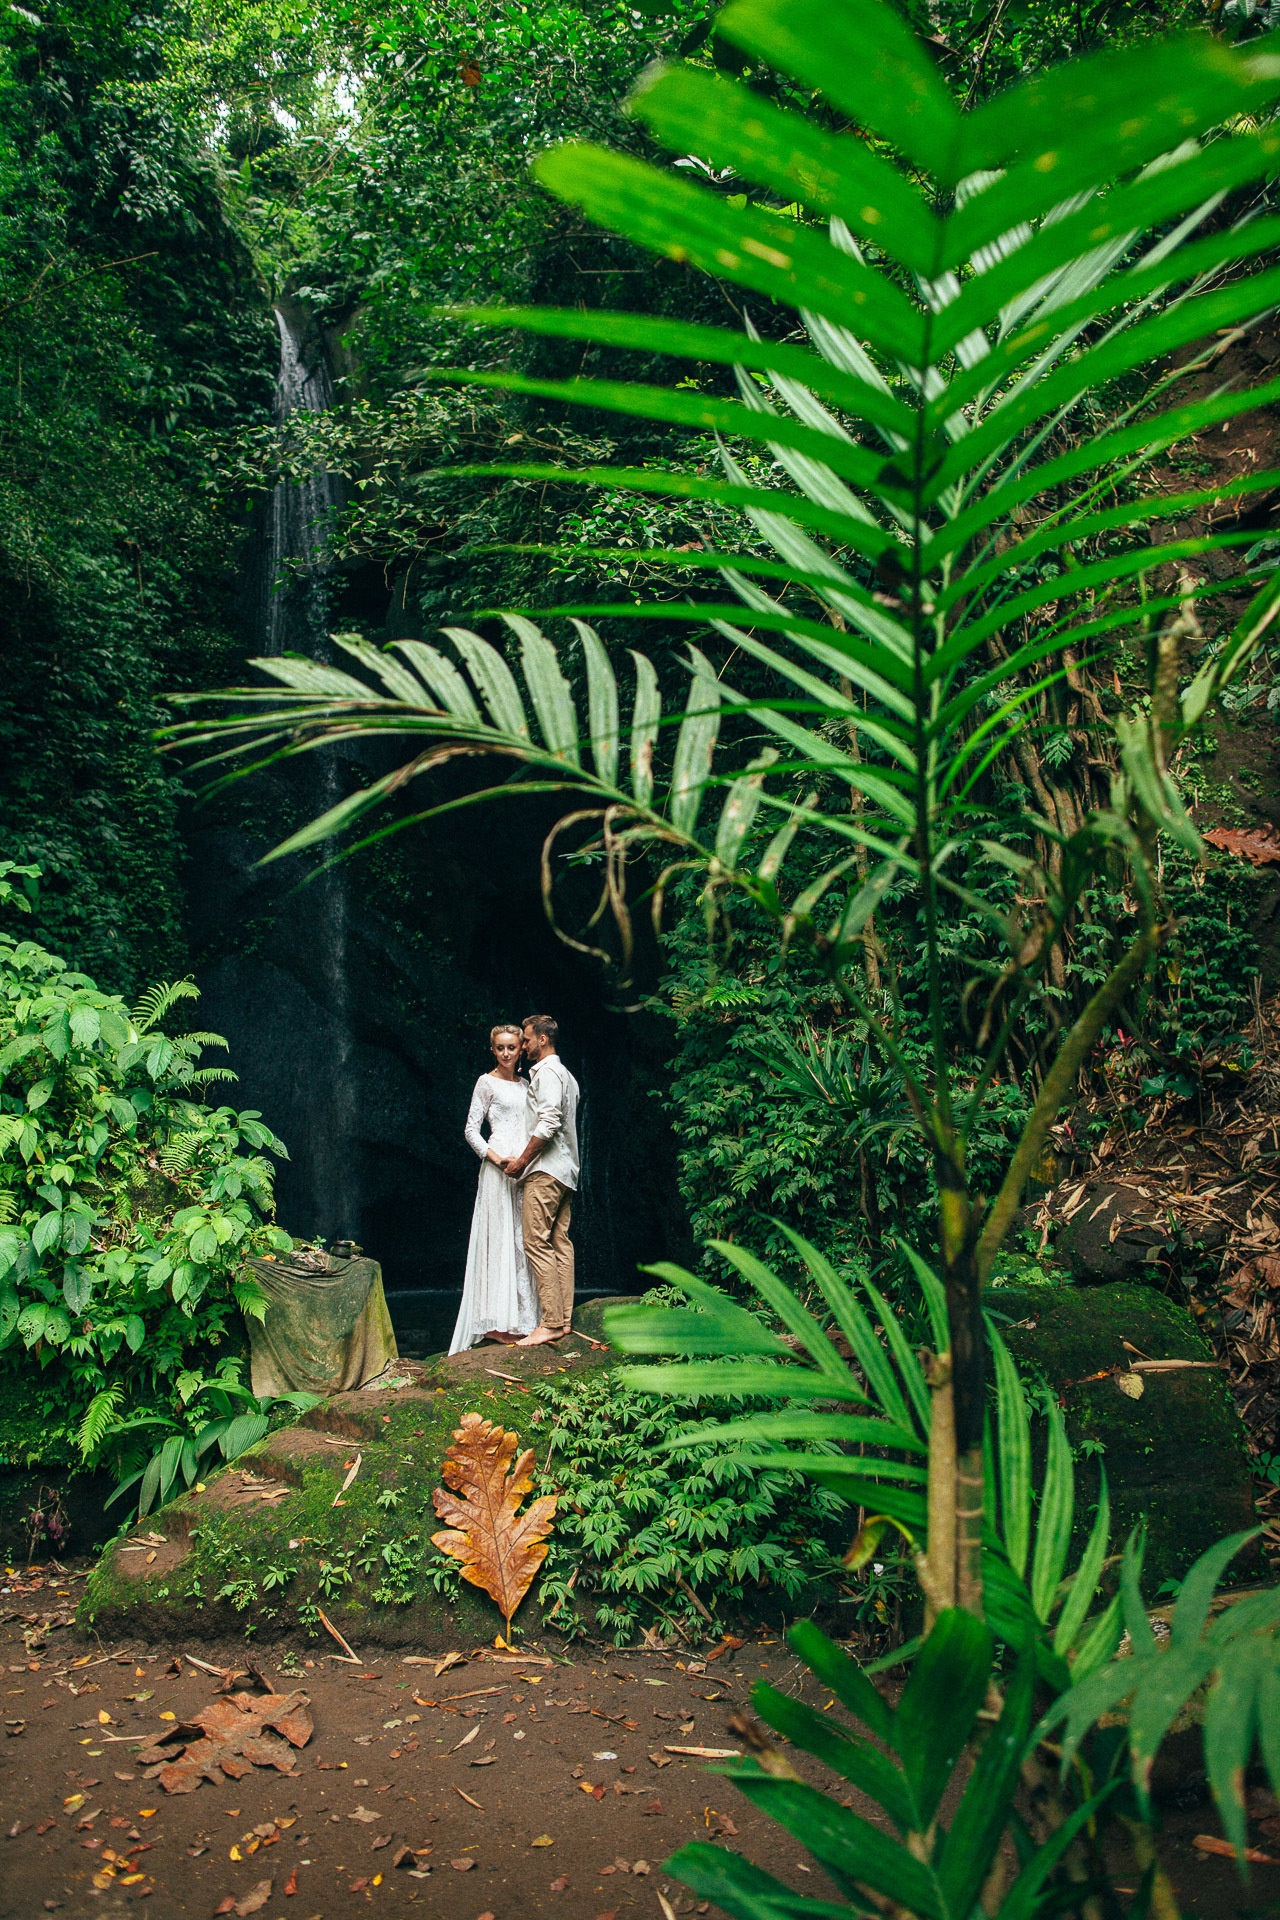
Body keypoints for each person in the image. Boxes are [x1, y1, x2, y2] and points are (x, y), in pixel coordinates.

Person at [449, 1024, 538, 1355]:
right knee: (498, 1239)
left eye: (511, 1047)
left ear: (520, 1050)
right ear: (492, 1050)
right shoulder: (485, 1083)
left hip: (523, 1168)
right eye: (499, 1047)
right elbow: (471, 1130)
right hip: (497, 1168)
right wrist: (499, 1160)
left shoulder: (527, 1085)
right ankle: (495, 1324)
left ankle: (523, 1319)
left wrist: (526, 1160)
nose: (505, 1053)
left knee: (520, 1239)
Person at [501, 1014, 579, 1347]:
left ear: (542, 1040)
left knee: (536, 1241)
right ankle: (563, 1322)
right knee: (560, 1242)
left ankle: (549, 1322)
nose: (523, 1045)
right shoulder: (568, 1076)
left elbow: (548, 1124)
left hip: (546, 1171)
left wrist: (522, 1162)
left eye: (528, 1040)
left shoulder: (546, 1073)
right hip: (567, 1171)